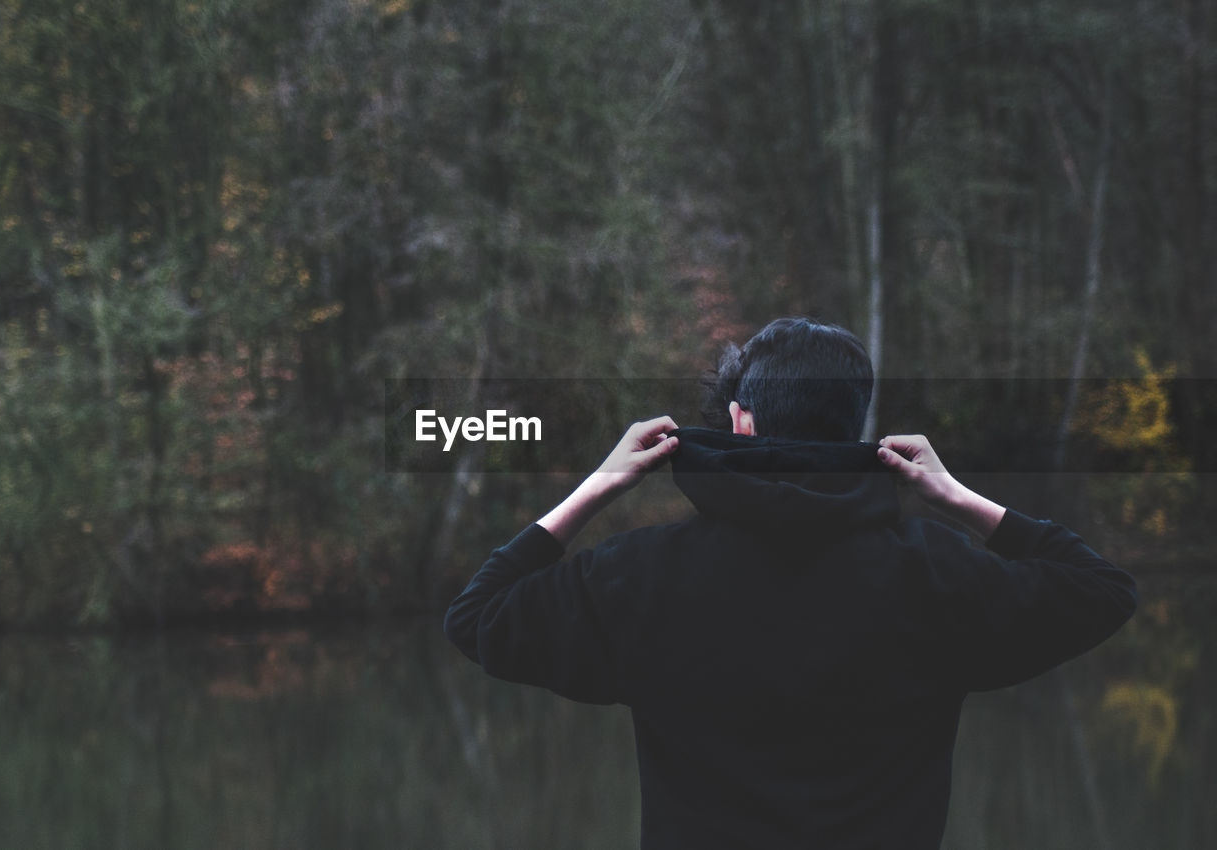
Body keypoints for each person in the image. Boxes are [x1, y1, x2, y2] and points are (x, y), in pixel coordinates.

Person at [443, 317, 1137, 850]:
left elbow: (478, 615)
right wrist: (956, 497)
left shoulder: (641, 576)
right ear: (854, 428)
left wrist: (599, 487)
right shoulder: (935, 572)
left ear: (741, 420)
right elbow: (1101, 590)